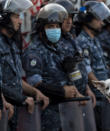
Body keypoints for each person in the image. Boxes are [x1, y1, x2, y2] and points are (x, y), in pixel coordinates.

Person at [22, 3, 83, 131]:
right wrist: (62, 91)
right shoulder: (34, 51)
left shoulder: (60, 47)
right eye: (50, 26)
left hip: (67, 112)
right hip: (48, 115)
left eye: (57, 26)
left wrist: (75, 91)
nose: (55, 30)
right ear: (41, 28)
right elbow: (35, 83)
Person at [0, 0, 49, 129]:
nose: (20, 21)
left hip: (14, 113)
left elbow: (14, 80)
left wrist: (34, 92)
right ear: (4, 18)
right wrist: (21, 99)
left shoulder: (11, 44)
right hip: (4, 111)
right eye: (16, 17)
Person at [75, 1, 110, 130]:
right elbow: (87, 70)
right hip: (96, 100)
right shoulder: (82, 41)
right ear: (88, 19)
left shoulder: (94, 40)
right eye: (98, 19)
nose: (102, 22)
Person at [54, 0, 96, 106]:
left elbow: (79, 66)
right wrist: (77, 94)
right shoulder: (53, 43)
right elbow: (60, 75)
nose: (69, 21)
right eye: (65, 18)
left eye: (71, 17)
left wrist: (87, 89)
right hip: (68, 100)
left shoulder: (71, 39)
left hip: (81, 95)